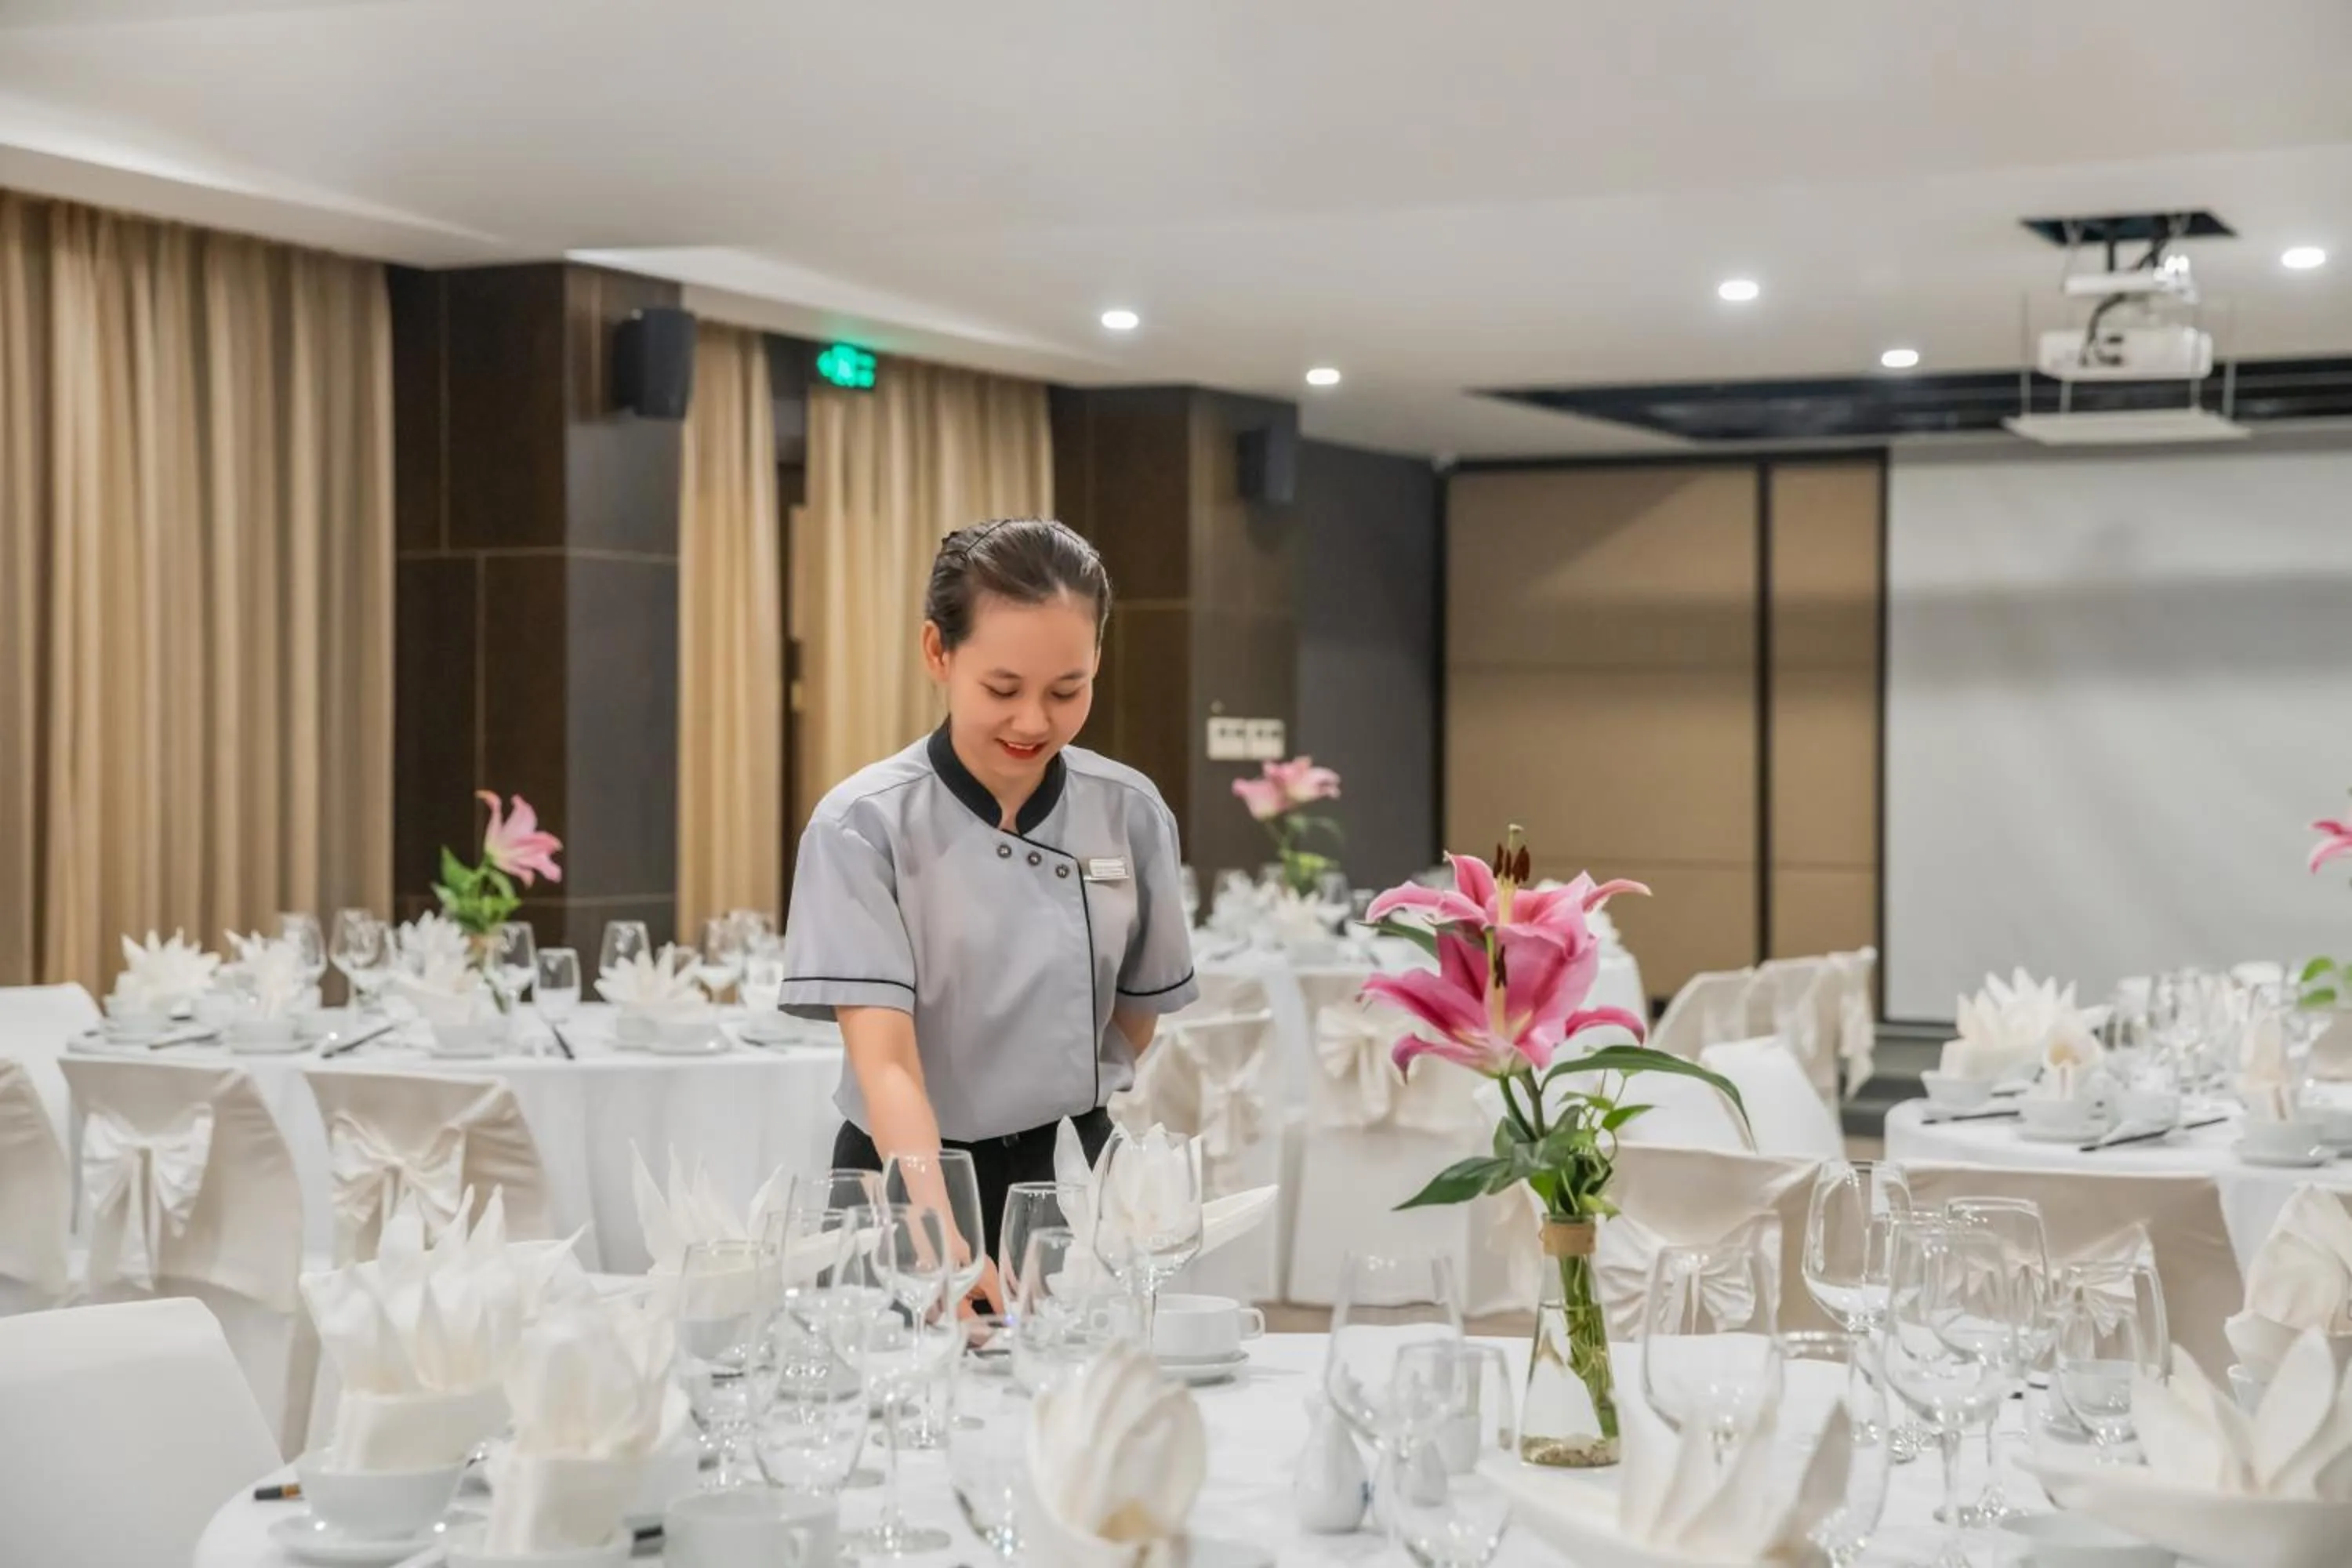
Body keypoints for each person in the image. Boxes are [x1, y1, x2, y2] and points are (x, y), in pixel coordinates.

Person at [776, 517, 1198, 1306]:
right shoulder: (863, 825)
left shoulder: (1130, 812)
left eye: (1067, 689)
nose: (1034, 721)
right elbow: (886, 1063)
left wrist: (1059, 1083)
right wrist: (942, 1234)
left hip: (1071, 1177)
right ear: (938, 652)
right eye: (1003, 689)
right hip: (906, 1176)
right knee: (895, 1378)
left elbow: (1136, 1015)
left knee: (1083, 1380)